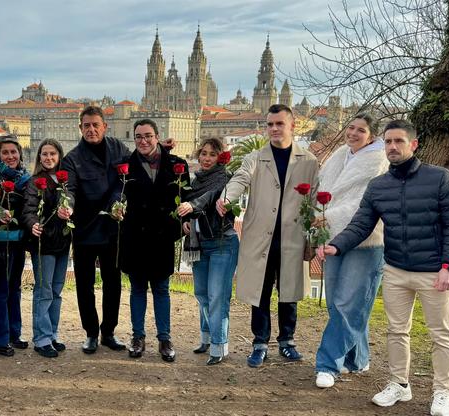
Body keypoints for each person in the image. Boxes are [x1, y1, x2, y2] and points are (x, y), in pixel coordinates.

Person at [318, 120, 449, 416]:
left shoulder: (440, 178)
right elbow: (361, 224)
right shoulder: (378, 185)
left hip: (433, 269)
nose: (393, 147)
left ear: (414, 144)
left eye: (399, 141)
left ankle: (442, 392)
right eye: (388, 142)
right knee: (397, 331)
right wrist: (338, 244)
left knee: (440, 333)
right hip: (397, 269)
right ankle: (399, 384)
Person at [217, 104, 319, 367]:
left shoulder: (308, 161)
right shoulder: (255, 158)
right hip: (261, 237)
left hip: (292, 238)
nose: (274, 129)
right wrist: (227, 197)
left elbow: (316, 198)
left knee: (289, 290)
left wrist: (315, 231)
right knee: (259, 292)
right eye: (270, 124)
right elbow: (240, 178)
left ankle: (287, 341)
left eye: (279, 124)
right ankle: (259, 342)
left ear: (292, 126)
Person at [313, 114, 388, 388]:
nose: (353, 133)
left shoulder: (379, 161)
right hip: (333, 237)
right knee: (338, 302)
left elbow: (364, 203)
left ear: (372, 135)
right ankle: (358, 358)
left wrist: (328, 215)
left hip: (366, 241)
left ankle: (327, 364)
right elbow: (325, 188)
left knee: (349, 303)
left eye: (361, 130)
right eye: (351, 128)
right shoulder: (340, 155)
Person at [60, 105, 130, 353]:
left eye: (95, 125)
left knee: (113, 283)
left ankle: (109, 332)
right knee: (84, 285)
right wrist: (65, 206)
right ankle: (90, 333)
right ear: (80, 128)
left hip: (112, 230)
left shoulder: (119, 149)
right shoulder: (72, 158)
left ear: (104, 126)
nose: (91, 130)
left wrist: (115, 204)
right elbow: (68, 190)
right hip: (85, 230)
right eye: (86, 126)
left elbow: (127, 180)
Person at [120, 119, 188, 362]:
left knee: (161, 289)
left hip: (162, 236)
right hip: (135, 237)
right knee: (137, 289)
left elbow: (185, 197)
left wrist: (182, 225)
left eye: (148, 136)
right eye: (139, 136)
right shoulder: (125, 166)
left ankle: (164, 338)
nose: (144, 141)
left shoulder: (177, 164)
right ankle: (138, 337)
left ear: (157, 137)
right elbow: (116, 196)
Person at [177, 137, 239, 365]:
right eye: (203, 153)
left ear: (220, 157)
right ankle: (205, 339)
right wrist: (186, 221)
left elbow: (211, 197)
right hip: (200, 242)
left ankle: (219, 346)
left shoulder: (225, 179)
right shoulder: (195, 180)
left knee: (217, 297)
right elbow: (190, 207)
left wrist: (192, 206)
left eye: (212, 154)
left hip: (223, 242)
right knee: (202, 294)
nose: (206, 158)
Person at [22, 138, 72, 358]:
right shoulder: (35, 182)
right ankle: (41, 338)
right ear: (39, 157)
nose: (49, 158)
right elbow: (28, 210)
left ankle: (52, 333)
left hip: (62, 242)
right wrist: (33, 223)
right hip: (43, 242)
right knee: (44, 291)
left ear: (59, 156)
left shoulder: (66, 182)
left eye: (52, 154)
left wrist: (69, 209)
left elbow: (72, 200)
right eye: (44, 154)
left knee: (56, 291)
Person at [0, 134, 32, 356]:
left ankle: (14, 333)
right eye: (5, 152)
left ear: (20, 154)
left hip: (17, 241)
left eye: (14, 152)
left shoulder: (24, 177)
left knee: (14, 289)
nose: (10, 156)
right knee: (0, 290)